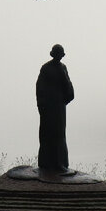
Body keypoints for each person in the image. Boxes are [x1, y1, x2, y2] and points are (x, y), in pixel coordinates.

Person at [36, 44, 74, 175]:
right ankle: (45, 163)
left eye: (61, 54)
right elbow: (40, 88)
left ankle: (60, 163)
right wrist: (41, 105)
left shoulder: (63, 68)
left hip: (59, 106)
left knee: (59, 134)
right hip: (48, 107)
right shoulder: (46, 68)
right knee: (46, 133)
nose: (59, 57)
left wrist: (65, 99)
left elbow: (68, 87)